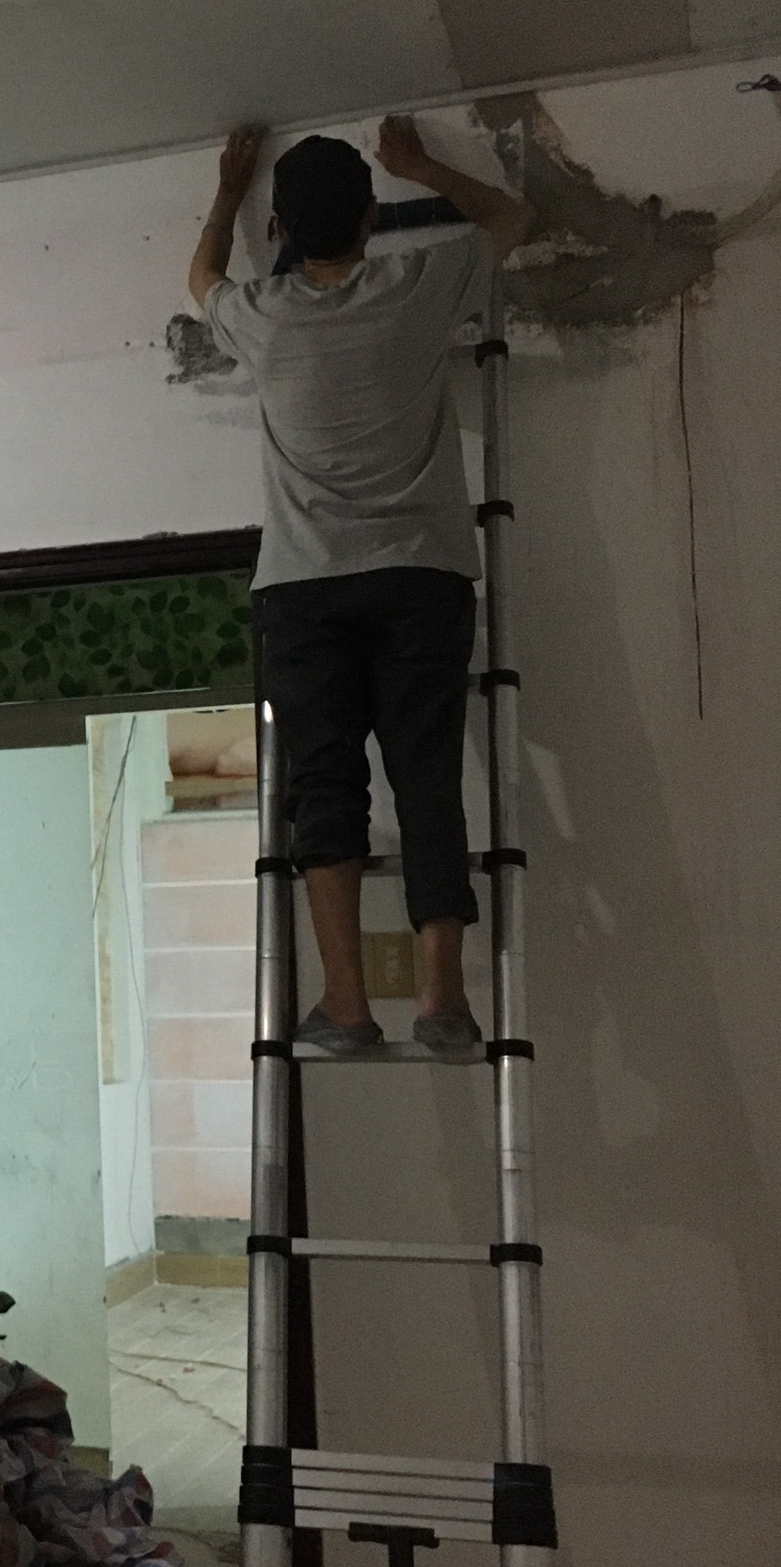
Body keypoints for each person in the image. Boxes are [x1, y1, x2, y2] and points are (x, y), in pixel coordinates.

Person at [186, 116, 536, 1051]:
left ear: (282, 232)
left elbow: (201, 276)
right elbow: (512, 218)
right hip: (423, 577)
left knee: (324, 786)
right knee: (427, 778)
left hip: (305, 587)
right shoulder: (418, 287)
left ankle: (345, 1004)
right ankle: (442, 1000)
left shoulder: (261, 316)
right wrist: (422, 164)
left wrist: (228, 189)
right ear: (372, 219)